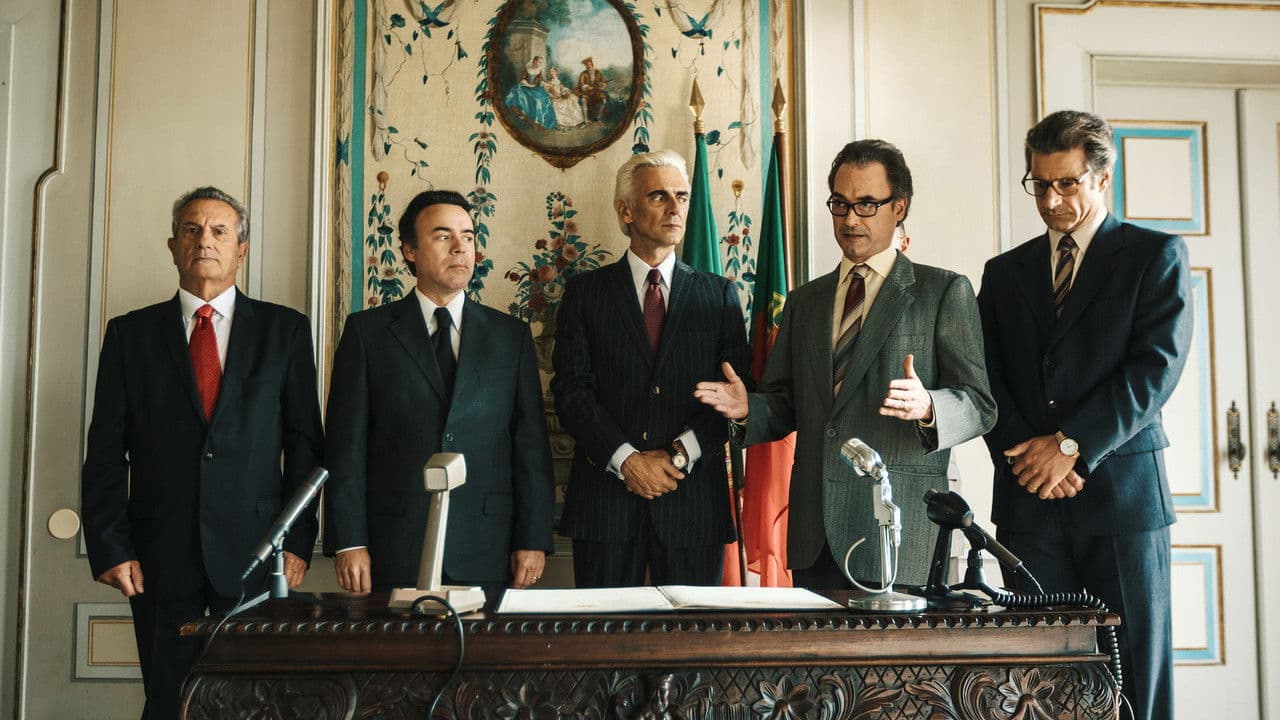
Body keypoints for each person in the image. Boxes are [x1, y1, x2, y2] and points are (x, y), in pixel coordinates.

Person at [695, 140, 995, 589]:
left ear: (899, 208)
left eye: (867, 204)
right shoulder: (805, 302)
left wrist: (929, 406)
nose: (850, 219)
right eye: (840, 204)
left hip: (896, 533)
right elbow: (785, 403)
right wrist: (747, 410)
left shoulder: (943, 292)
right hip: (814, 534)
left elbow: (979, 405)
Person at [978, 110, 1192, 720]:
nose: (1050, 200)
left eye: (1066, 183)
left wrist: (1070, 446)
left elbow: (1155, 370)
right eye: (1039, 184)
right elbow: (984, 377)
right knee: (1038, 688)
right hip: (1029, 505)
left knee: (1134, 679)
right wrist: (1030, 459)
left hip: (1124, 499)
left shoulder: (1154, 255)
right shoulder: (1003, 273)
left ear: (1102, 176)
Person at [81, 186, 324, 720]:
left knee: (256, 704)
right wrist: (110, 545)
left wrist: (298, 540)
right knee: (170, 702)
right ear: (173, 246)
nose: (204, 241)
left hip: (259, 556)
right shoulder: (130, 334)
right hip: (159, 556)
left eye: (219, 231)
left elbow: (305, 446)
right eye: (191, 230)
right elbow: (104, 452)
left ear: (242, 249)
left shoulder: (284, 331)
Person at [324, 190, 554, 594]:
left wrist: (532, 539)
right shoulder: (367, 333)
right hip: (393, 546)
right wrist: (349, 541)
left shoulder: (510, 336)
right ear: (410, 250)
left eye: (468, 236)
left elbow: (530, 446)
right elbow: (346, 448)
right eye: (443, 236)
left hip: (488, 546)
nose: (460, 247)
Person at [551, 149, 751, 587]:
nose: (675, 207)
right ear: (626, 210)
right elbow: (571, 393)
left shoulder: (719, 295)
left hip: (692, 505)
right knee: (603, 631)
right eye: (659, 196)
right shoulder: (585, 293)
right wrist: (626, 460)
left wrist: (678, 455)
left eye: (682, 196)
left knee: (692, 631)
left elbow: (735, 396)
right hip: (605, 505)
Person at [503, 55, 557, 129]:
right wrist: (529, 85)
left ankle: (544, 122)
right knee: (535, 100)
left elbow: (541, 80)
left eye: (541, 62)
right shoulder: (527, 69)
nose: (540, 64)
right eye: (539, 62)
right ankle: (532, 120)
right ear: (534, 61)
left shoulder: (539, 70)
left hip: (536, 88)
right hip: (526, 87)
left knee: (546, 99)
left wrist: (546, 84)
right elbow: (523, 80)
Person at [574, 56, 608, 122]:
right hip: (586, 92)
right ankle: (585, 120)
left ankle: (597, 117)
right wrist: (587, 87)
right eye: (586, 65)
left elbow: (603, 81)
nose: (588, 66)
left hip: (597, 91)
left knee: (603, 100)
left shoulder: (598, 72)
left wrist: (602, 85)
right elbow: (581, 84)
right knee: (583, 100)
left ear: (592, 64)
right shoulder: (583, 74)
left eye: (589, 64)